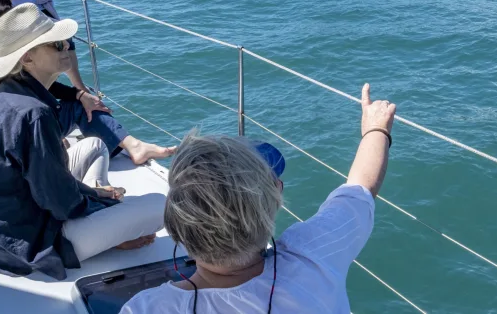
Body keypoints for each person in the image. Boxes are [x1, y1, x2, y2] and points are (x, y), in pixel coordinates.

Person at [121, 83, 396, 314]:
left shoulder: (146, 308)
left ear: (176, 222)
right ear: (276, 197)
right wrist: (376, 129)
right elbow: (361, 187)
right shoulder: (314, 254)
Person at [0, 3, 166, 280]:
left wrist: (94, 194)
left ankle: (101, 205)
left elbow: (45, 183)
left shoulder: (3, 92)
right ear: (28, 58)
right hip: (24, 243)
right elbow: (60, 203)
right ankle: (104, 233)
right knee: (160, 204)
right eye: (56, 44)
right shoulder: (34, 114)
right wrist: (102, 207)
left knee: (94, 145)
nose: (67, 45)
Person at [0, 0, 175, 164]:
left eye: (7, 11)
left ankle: (134, 146)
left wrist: (79, 95)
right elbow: (16, 105)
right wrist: (51, 137)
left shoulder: (4, 51)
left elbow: (31, 84)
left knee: (81, 105)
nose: (3, 18)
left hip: (24, 125)